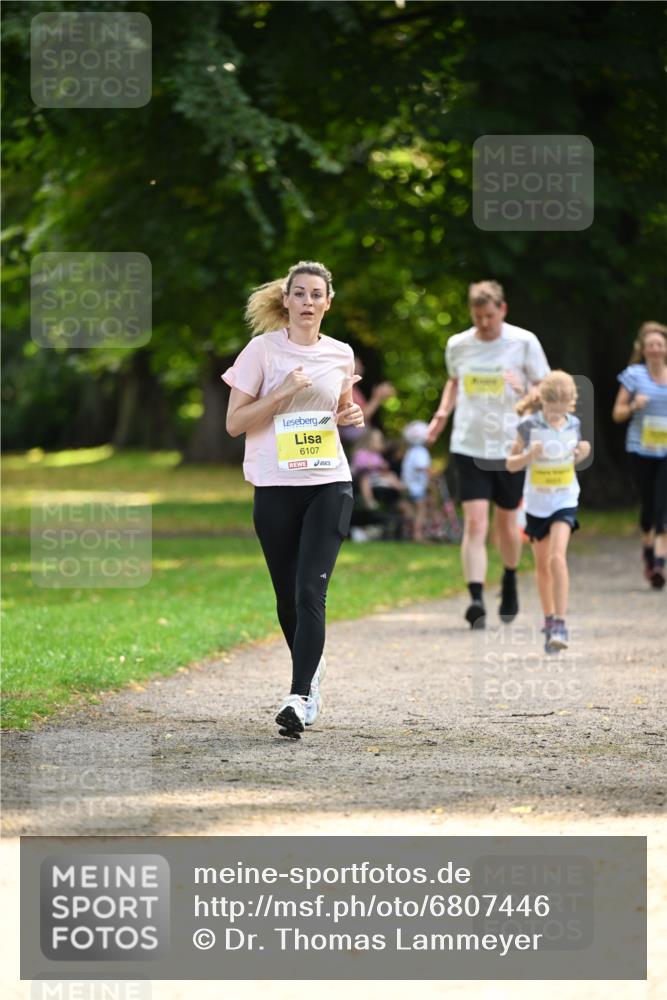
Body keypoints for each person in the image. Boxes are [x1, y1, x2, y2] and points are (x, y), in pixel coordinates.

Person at [222, 260, 364, 737]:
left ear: (328, 302)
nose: (307, 302)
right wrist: (282, 392)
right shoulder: (261, 352)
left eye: (315, 294)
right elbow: (235, 424)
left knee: (310, 591)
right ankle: (312, 671)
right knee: (287, 599)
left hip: (329, 482)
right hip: (275, 486)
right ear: (285, 300)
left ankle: (300, 697)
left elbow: (340, 409)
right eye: (298, 293)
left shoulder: (341, 354)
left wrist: (349, 415)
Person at [427, 280, 550, 628]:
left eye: (490, 317)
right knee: (477, 523)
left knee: (507, 524)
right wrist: (441, 415)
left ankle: (509, 578)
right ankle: (476, 598)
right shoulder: (458, 345)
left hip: (511, 445)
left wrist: (523, 388)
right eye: (478, 317)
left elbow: (544, 387)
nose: (484, 324)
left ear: (503, 310)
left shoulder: (524, 342)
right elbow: (454, 381)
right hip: (470, 443)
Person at [506, 371, 591, 652]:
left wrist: (582, 452)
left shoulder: (574, 424)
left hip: (565, 499)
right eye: (551, 406)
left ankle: (560, 624)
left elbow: (577, 455)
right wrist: (529, 455)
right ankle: (548, 619)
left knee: (557, 557)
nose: (556, 413)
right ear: (542, 402)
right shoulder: (529, 425)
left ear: (571, 404)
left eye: (562, 407)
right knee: (542, 566)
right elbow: (511, 464)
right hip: (536, 503)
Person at [612, 321, 667, 589]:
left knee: (662, 505)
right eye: (651, 345)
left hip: (666, 451)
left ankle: (659, 562)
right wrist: (634, 405)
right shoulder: (634, 375)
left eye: (660, 344)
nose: (656, 349)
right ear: (643, 350)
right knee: (648, 506)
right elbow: (617, 413)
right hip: (640, 450)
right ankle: (648, 553)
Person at [338, 355, 396, 450]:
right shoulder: (346, 389)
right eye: (359, 364)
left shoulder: (355, 389)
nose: (362, 367)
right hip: (350, 432)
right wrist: (377, 397)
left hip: (359, 431)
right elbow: (361, 416)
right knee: (375, 436)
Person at [401, 421, 432, 541]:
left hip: (409, 485)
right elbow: (421, 466)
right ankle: (418, 534)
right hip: (416, 487)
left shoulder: (411, 451)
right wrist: (433, 474)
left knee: (414, 509)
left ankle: (413, 532)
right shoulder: (421, 451)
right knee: (421, 510)